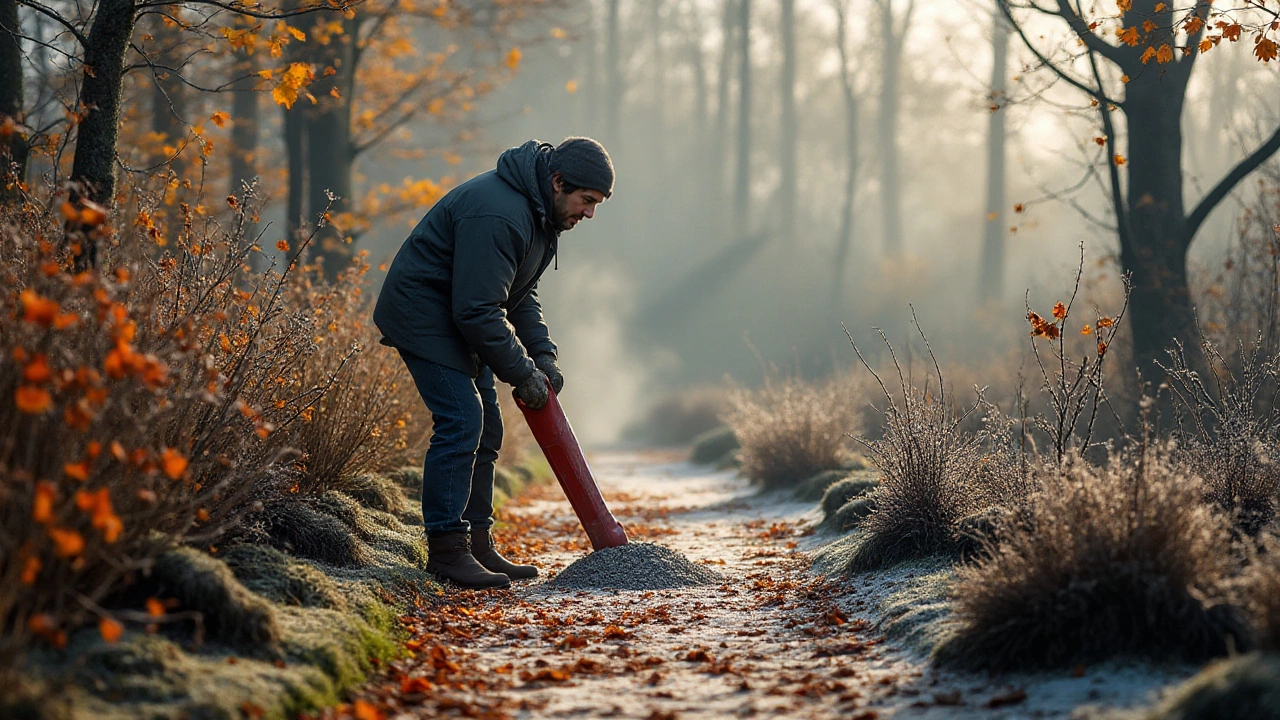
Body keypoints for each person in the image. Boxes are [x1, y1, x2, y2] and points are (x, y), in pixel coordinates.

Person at [373, 138, 613, 589]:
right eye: (587, 201)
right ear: (559, 182)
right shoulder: (500, 213)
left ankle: (478, 544)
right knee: (463, 418)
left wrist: (543, 354)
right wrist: (521, 372)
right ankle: (447, 552)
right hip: (423, 313)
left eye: (596, 204)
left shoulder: (540, 214)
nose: (589, 213)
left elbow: (518, 294)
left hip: (459, 314)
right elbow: (478, 309)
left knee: (490, 426)